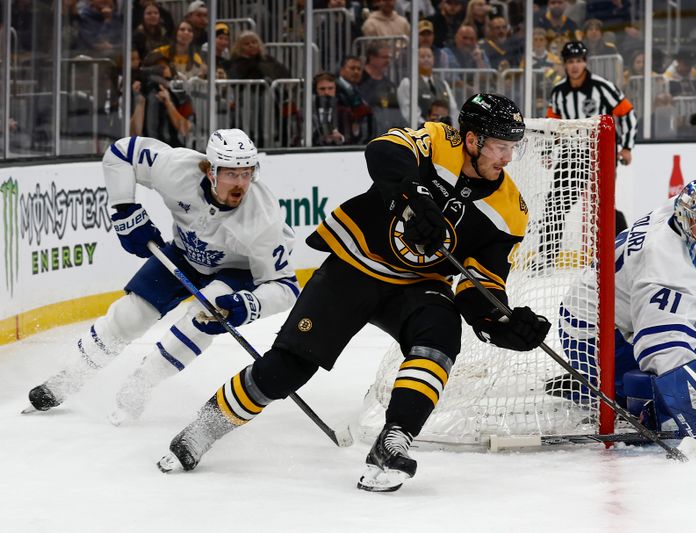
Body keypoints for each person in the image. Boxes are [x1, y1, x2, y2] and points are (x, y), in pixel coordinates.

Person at [155, 94, 551, 492]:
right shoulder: (436, 140)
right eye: (500, 146)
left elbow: (479, 284)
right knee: (287, 369)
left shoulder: (510, 211)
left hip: (419, 286)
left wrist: (500, 322)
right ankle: (202, 429)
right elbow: (383, 151)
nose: (507, 158)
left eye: (511, 147)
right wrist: (414, 197)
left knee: (440, 338)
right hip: (356, 262)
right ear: (472, 139)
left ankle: (393, 440)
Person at [26, 129, 300, 424]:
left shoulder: (263, 220)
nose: (241, 184)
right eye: (232, 174)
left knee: (199, 319)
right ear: (210, 170)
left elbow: (285, 286)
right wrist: (124, 208)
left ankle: (140, 385)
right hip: (183, 252)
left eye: (247, 173)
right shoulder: (176, 168)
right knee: (130, 315)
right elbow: (121, 153)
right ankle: (71, 375)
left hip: (236, 271)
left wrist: (249, 304)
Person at [553, 178, 696, 451]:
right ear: (685, 219)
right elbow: (660, 344)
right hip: (591, 335)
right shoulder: (658, 263)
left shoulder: (677, 215)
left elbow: (690, 273)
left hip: (613, 308)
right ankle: (591, 382)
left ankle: (594, 383)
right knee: (663, 387)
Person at [541, 40, 636, 268]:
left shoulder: (602, 86)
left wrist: (626, 147)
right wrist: (547, 150)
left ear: (585, 62)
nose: (575, 66)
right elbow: (552, 125)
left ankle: (622, 250)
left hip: (600, 154)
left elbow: (628, 113)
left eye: (579, 61)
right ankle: (546, 258)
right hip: (571, 155)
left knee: (603, 205)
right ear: (564, 64)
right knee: (555, 204)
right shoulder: (559, 92)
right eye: (570, 62)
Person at [397, 46, 459, 127]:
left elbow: (453, 109)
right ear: (415, 60)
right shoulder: (408, 83)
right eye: (422, 57)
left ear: (433, 60)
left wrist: (452, 129)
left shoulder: (443, 84)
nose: (426, 59)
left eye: (429, 56)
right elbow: (409, 113)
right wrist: (427, 127)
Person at [311, 72, 347, 146]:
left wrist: (341, 138)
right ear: (315, 91)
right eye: (322, 89)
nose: (326, 92)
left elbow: (352, 137)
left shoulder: (345, 111)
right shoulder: (307, 112)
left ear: (336, 90)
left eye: (330, 88)